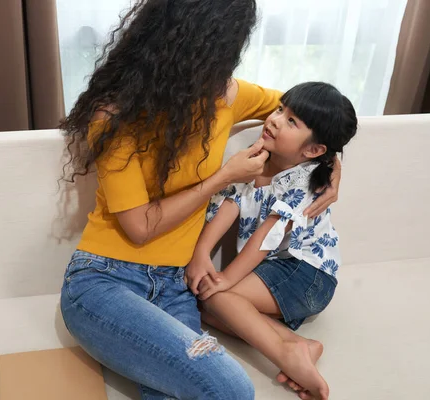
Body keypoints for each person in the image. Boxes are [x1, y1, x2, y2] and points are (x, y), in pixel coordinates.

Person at [59, 1, 339, 398]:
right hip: (104, 280)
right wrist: (223, 177)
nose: (227, 66)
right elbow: (139, 228)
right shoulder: (113, 116)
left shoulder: (228, 95)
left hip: (175, 287)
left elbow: (314, 118)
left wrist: (333, 168)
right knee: (232, 389)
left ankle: (292, 348)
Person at [186, 82, 357, 400]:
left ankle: (284, 353)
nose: (276, 119)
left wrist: (225, 278)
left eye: (292, 121)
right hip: (277, 270)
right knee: (202, 306)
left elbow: (267, 237)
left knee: (214, 296)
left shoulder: (303, 180)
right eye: (281, 110)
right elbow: (231, 201)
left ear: (314, 150)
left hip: (308, 275)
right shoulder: (259, 155)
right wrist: (200, 253)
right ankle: (299, 345)